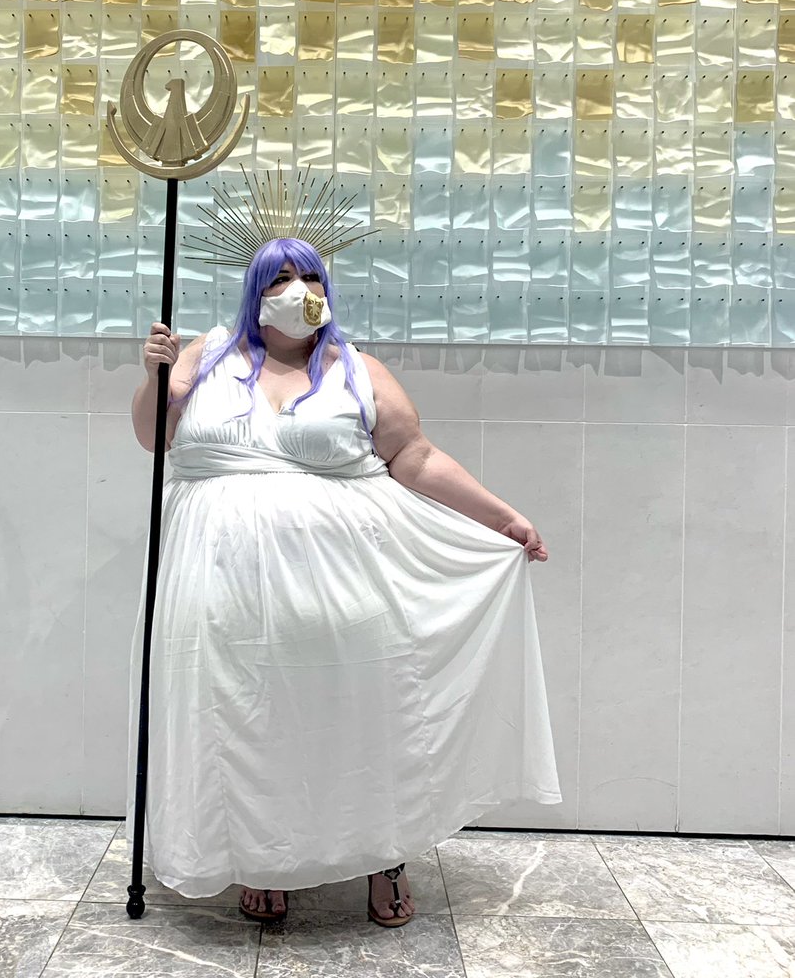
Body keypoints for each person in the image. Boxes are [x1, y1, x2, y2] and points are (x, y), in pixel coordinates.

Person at [126, 236, 561, 928]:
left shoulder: (357, 369)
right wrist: (158, 379)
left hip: (343, 588)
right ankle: (263, 858)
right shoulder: (204, 355)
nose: (296, 290)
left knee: (355, 718)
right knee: (246, 721)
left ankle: (383, 856)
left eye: (309, 277)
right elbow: (155, 438)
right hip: (221, 592)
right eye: (279, 278)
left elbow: (413, 456)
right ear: (254, 290)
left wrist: (504, 517)